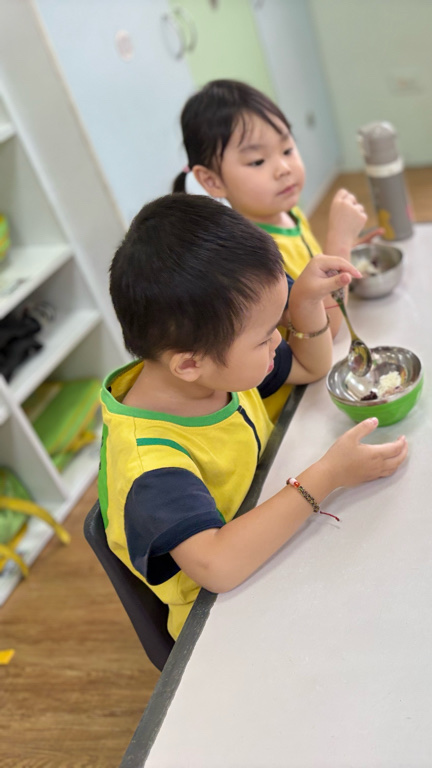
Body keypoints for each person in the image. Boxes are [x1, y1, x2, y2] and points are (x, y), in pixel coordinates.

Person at [101, 194, 408, 640]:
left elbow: (310, 367)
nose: (277, 344)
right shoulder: (149, 463)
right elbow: (219, 566)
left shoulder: (213, 371)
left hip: (270, 536)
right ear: (189, 363)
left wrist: (303, 304)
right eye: (266, 337)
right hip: (217, 621)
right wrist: (327, 475)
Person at [172, 79, 376, 418]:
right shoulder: (249, 256)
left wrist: (347, 248)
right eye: (257, 161)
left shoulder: (288, 213)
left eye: (287, 149)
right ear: (212, 180)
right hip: (291, 409)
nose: (283, 168)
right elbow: (328, 330)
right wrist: (339, 242)